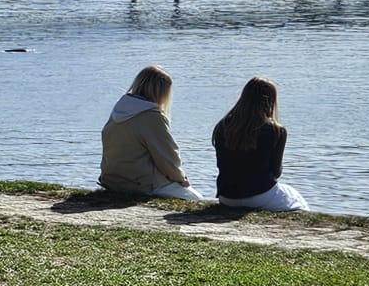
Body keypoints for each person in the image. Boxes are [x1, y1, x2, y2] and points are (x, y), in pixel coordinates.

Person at [99, 64, 203, 199]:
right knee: (197, 199)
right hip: (139, 184)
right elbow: (167, 157)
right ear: (162, 92)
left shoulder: (119, 109)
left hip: (111, 180)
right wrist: (181, 178)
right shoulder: (152, 116)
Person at [212, 77, 309, 211]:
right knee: (298, 201)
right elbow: (276, 172)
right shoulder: (277, 130)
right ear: (271, 101)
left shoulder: (222, 126)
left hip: (227, 197)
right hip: (260, 195)